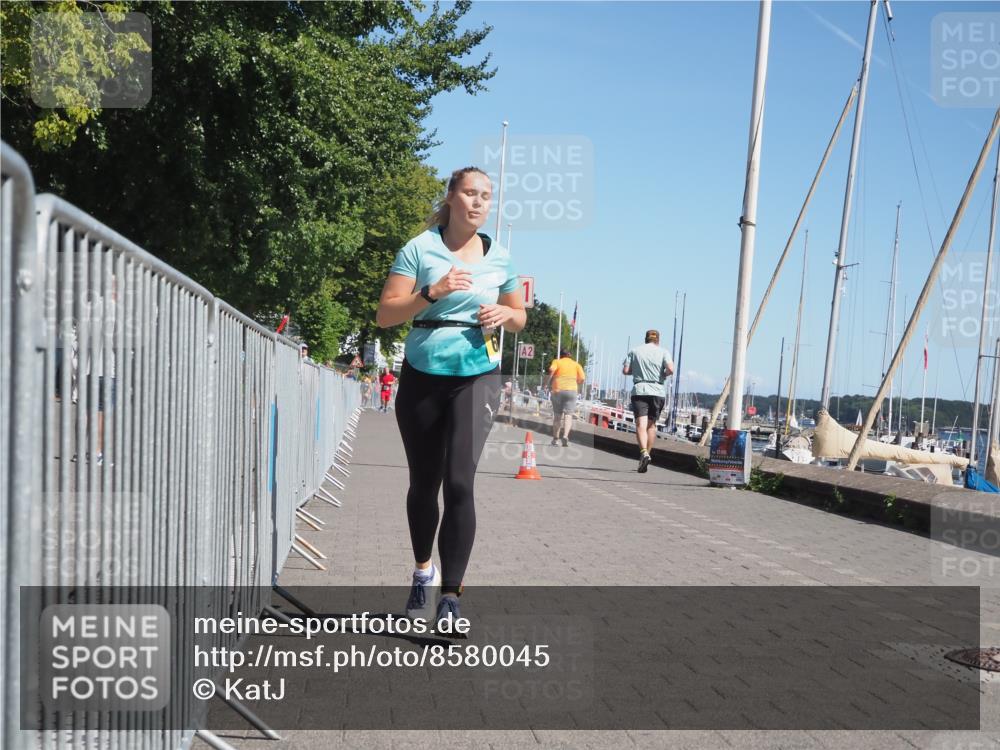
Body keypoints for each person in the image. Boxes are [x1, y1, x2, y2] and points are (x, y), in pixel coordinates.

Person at [376, 166, 526, 630]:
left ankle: (450, 598)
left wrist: (504, 313)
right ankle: (424, 572)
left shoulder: (500, 256)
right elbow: (385, 314)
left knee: (460, 482)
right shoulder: (419, 248)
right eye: (470, 193)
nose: (479, 202)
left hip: (478, 374)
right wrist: (431, 292)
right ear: (451, 197)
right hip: (423, 372)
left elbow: (520, 316)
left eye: (486, 196)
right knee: (425, 484)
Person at [622, 329, 674, 472]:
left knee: (641, 424)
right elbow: (670, 369)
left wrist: (637, 371)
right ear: (658, 340)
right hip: (657, 391)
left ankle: (644, 453)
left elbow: (626, 370)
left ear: (645, 339)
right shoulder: (664, 352)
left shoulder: (635, 351)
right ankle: (646, 455)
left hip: (640, 390)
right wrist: (662, 375)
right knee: (651, 426)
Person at [545, 349, 585, 447]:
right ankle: (565, 436)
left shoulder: (557, 362)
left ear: (561, 355)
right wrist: (577, 383)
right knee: (568, 415)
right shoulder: (576, 365)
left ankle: (555, 439)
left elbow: (551, 370)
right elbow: (582, 378)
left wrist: (547, 383)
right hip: (571, 391)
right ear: (569, 356)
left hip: (557, 390)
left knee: (557, 416)